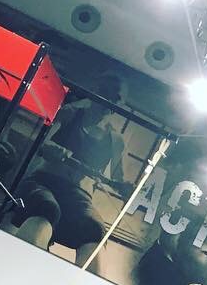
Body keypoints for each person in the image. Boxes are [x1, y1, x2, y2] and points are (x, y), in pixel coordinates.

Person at [12, 73, 130, 274]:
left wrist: (126, 187)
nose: (108, 101)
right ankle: (19, 268)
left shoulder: (115, 140)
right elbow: (39, 141)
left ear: (120, 104)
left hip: (78, 196)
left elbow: (118, 178)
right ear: (96, 92)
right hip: (44, 182)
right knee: (47, 207)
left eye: (115, 98)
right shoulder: (69, 113)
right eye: (106, 93)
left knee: (94, 229)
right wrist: (50, 148)